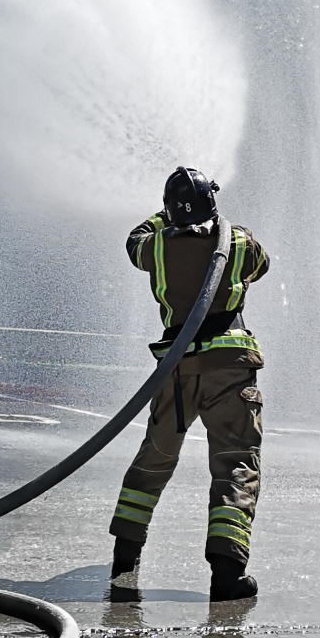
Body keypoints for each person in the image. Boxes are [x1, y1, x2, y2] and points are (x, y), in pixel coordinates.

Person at [108, 167, 271, 604]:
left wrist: (165, 216)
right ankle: (227, 576)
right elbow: (262, 263)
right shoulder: (237, 241)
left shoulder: (155, 246)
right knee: (236, 463)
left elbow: (133, 241)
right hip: (230, 370)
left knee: (154, 459)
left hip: (176, 371)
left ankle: (124, 561)